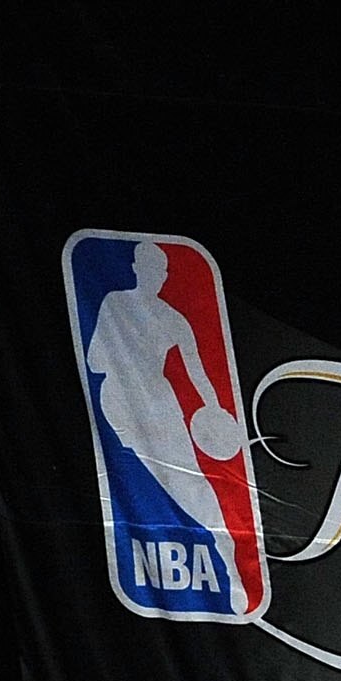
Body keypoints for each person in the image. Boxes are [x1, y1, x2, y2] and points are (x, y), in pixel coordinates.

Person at [83, 240, 246, 603]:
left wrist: (215, 410)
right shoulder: (118, 305)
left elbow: (197, 371)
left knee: (191, 482)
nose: (159, 278)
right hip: (125, 405)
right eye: (155, 270)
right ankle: (220, 548)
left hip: (156, 404)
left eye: (162, 272)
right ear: (139, 270)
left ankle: (226, 553)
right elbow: (94, 362)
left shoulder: (170, 317)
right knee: (158, 481)